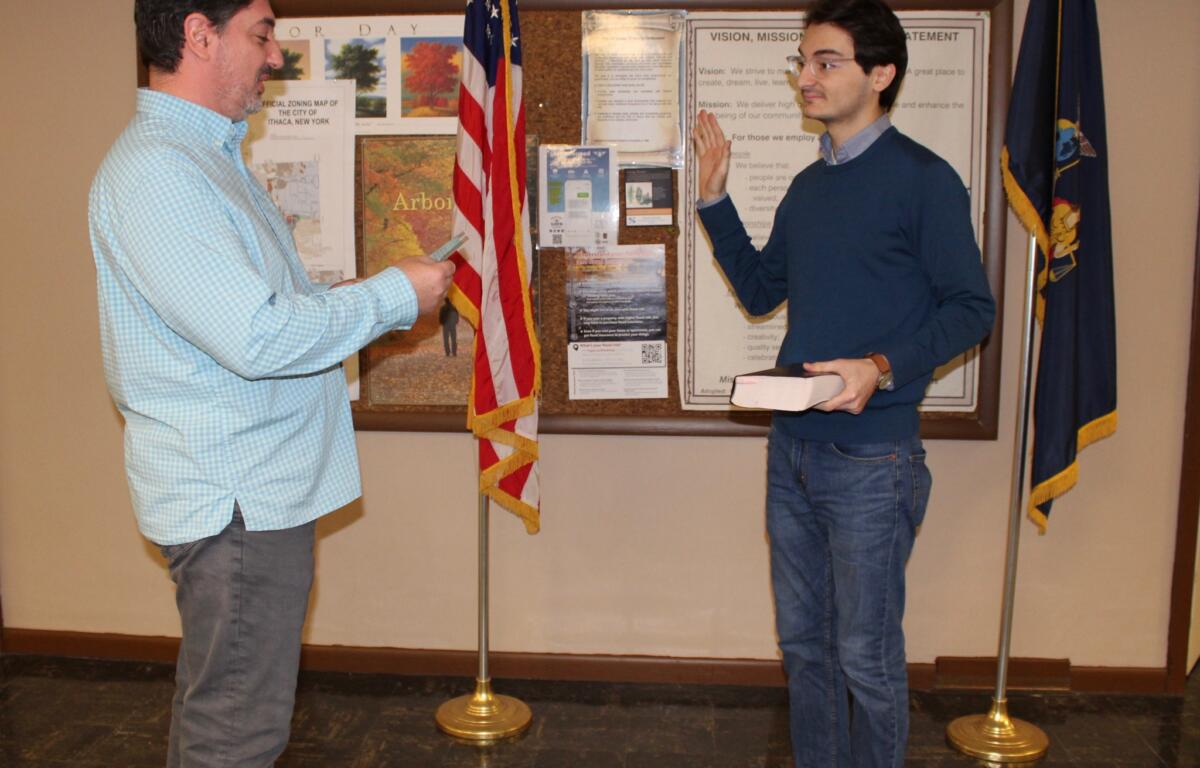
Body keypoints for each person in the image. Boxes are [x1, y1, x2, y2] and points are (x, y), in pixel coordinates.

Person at [88, 1, 455, 765]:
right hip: (237, 507)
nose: (276, 55)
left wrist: (346, 297)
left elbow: (254, 315)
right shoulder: (161, 170)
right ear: (198, 34)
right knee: (234, 737)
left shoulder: (207, 158)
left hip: (251, 500)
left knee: (228, 716)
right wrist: (391, 295)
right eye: (261, 34)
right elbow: (256, 338)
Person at [691, 0, 995, 765]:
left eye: (827, 61)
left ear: (881, 73)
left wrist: (882, 366)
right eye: (802, 62)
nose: (807, 77)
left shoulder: (925, 181)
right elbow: (762, 290)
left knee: (864, 656)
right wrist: (714, 198)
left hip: (873, 461)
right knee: (806, 649)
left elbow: (972, 309)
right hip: (793, 451)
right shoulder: (809, 185)